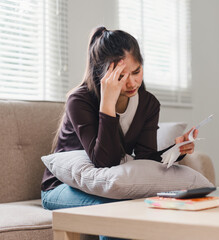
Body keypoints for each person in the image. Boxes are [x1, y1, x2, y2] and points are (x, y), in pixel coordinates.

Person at [40, 26, 198, 240]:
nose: (132, 82)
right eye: (121, 76)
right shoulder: (80, 100)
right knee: (121, 210)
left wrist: (177, 149)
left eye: (136, 71)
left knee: (144, 205)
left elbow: (144, 158)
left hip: (107, 185)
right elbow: (104, 162)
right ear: (103, 75)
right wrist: (108, 104)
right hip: (60, 187)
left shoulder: (148, 103)